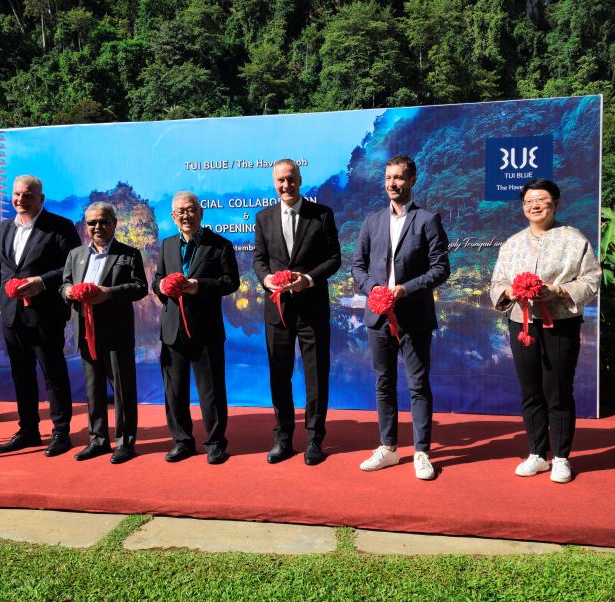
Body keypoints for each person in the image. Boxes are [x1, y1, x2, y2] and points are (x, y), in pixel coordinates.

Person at [489, 178, 600, 484]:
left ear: (555, 203)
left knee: (559, 390)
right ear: (523, 207)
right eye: (529, 202)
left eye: (542, 200)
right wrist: (509, 292)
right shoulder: (512, 243)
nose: (535, 206)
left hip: (560, 324)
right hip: (521, 324)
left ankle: (561, 457)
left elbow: (592, 279)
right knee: (531, 390)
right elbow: (497, 282)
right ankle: (537, 453)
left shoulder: (574, 239)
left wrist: (559, 291)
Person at [351, 155, 451, 481]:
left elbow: (440, 269)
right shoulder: (371, 221)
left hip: (414, 316)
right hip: (378, 317)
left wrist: (406, 289)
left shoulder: (427, 220)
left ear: (412, 181)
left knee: (418, 385)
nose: (393, 183)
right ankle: (389, 448)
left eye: (399, 178)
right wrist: (374, 290)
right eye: (388, 177)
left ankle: (422, 451)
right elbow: (357, 267)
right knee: (384, 384)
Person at [0, 175, 81, 457]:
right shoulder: (2, 228)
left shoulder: (60, 227)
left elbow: (72, 266)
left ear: (40, 199)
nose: (20, 200)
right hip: (12, 316)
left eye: (27, 195)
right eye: (16, 194)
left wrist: (42, 281)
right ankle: (28, 430)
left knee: (54, 375)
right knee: (21, 376)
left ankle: (61, 432)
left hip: (45, 314)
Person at [253, 159, 342, 465]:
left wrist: (308, 279)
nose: (286, 185)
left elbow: (334, 259)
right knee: (280, 377)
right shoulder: (263, 218)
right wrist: (265, 278)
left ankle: (315, 439)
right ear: (274, 184)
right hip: (277, 312)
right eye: (280, 180)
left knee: (316, 376)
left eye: (290, 178)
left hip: (312, 309)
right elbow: (259, 259)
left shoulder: (321, 215)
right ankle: (283, 438)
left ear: (300, 179)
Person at [153, 191, 239, 464]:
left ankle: (215, 443)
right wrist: (162, 287)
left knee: (211, 391)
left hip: (207, 330)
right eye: (180, 211)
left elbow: (230, 282)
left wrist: (199, 287)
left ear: (201, 213)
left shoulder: (220, 245)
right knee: (174, 392)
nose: (186, 216)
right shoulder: (166, 245)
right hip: (173, 330)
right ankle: (182, 441)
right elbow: (156, 281)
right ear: (173, 217)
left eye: (191, 210)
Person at [62, 202, 148, 464]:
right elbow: (65, 283)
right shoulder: (75, 254)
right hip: (85, 333)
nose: (97, 227)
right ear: (86, 225)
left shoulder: (129, 254)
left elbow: (139, 287)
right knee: (93, 390)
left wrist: (108, 294)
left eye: (103, 222)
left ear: (114, 223)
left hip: (116, 333)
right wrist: (67, 292)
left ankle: (124, 442)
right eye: (92, 223)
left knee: (122, 390)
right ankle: (98, 440)